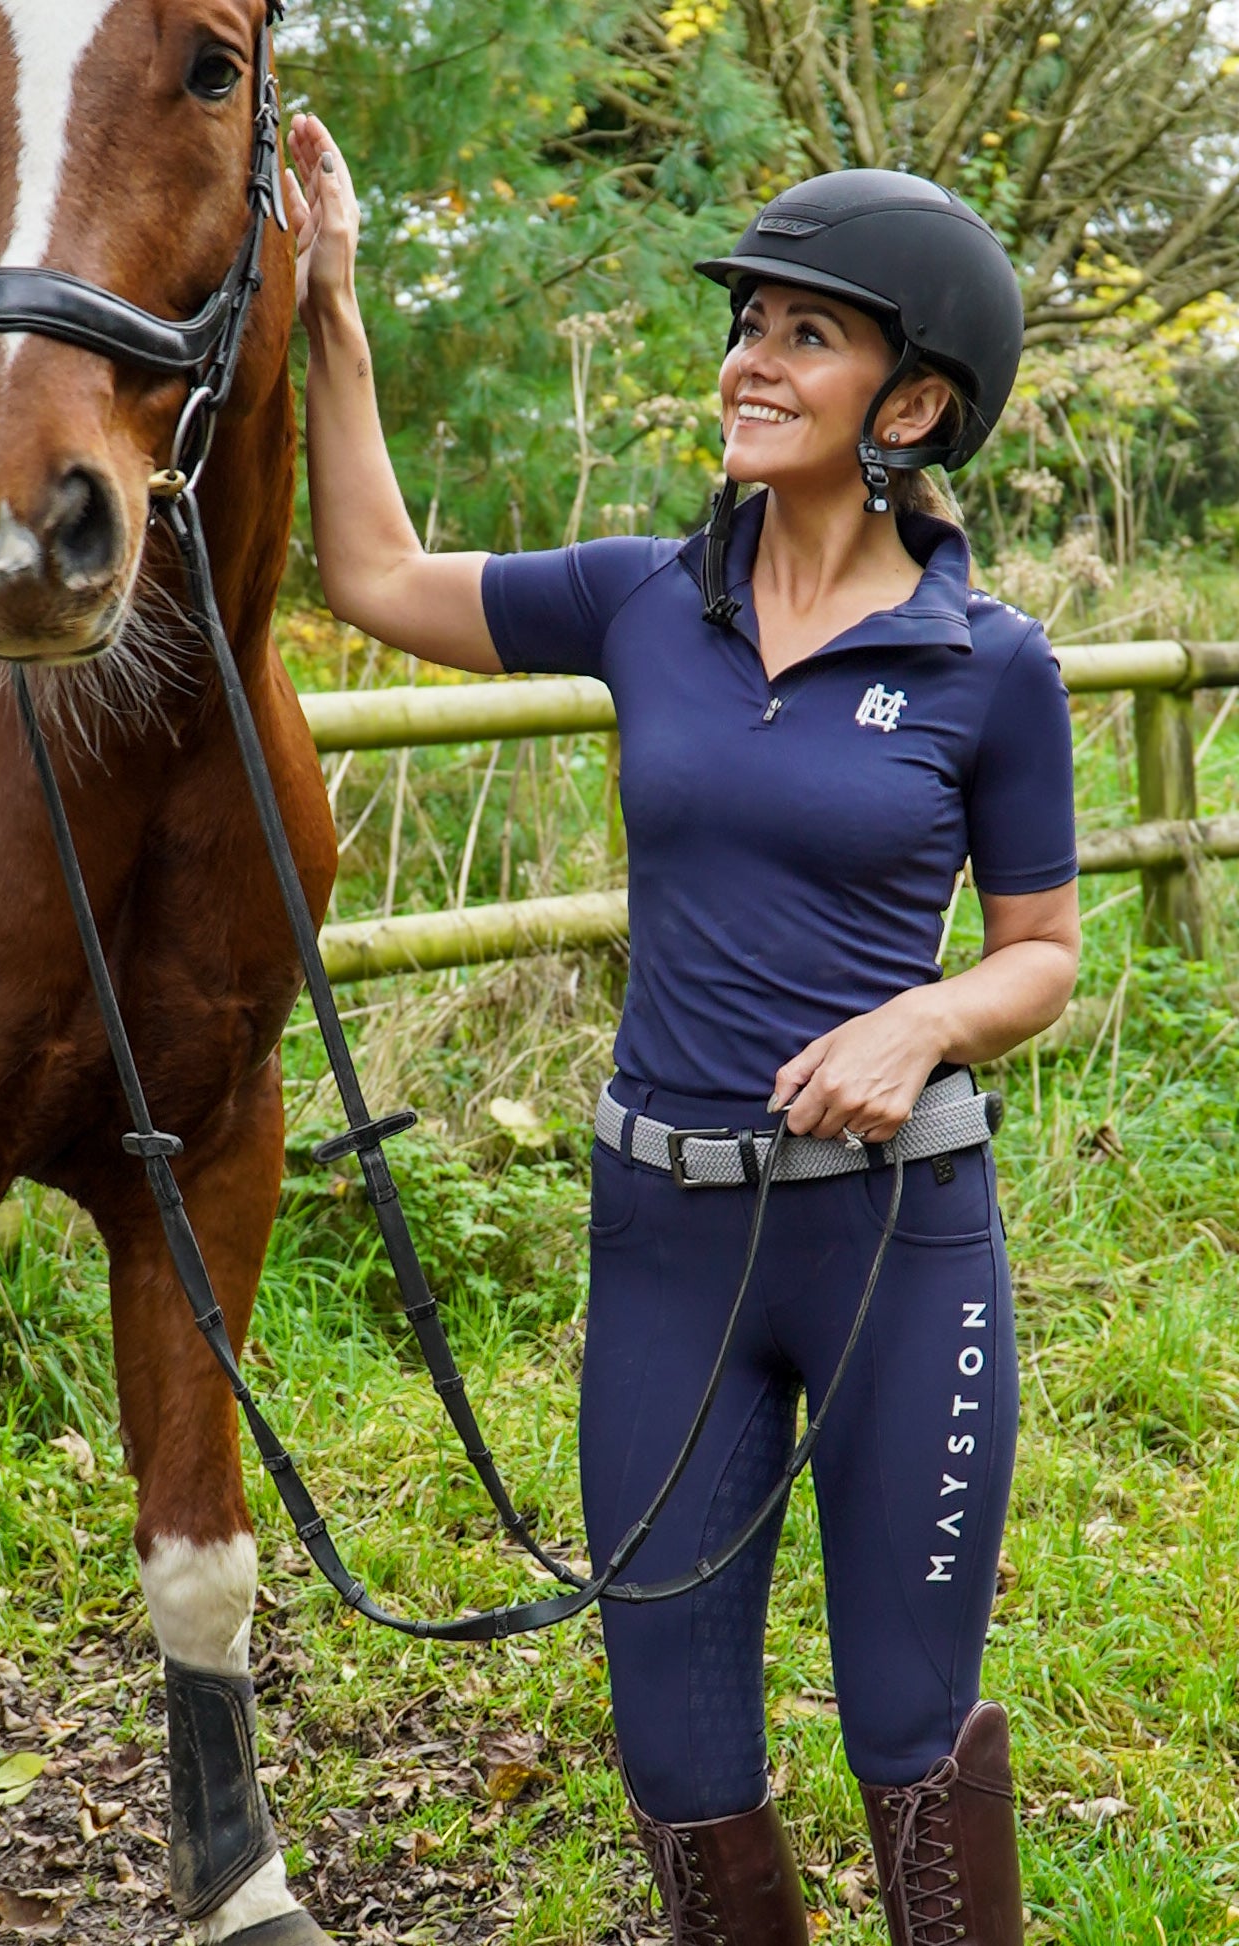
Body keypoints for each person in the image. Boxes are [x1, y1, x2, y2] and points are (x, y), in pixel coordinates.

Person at [284, 122, 1079, 1946]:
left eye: (808, 332)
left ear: (915, 402)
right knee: (678, 1745)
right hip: (663, 1233)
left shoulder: (993, 665)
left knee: (903, 1724)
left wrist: (928, 1021)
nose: (752, 358)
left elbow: (1043, 954)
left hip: (897, 1239)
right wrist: (336, 312)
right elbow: (377, 578)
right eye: (749, 324)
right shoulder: (649, 595)